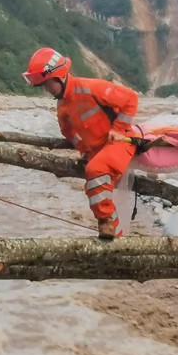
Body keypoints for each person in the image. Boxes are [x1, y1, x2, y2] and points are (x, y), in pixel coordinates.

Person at [23, 47, 139, 239]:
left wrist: (118, 129)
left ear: (59, 77)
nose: (46, 89)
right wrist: (84, 151)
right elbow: (69, 133)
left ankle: (105, 222)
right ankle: (116, 236)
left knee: (96, 170)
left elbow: (131, 99)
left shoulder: (91, 87)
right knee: (94, 173)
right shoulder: (62, 108)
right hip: (97, 150)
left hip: (121, 141)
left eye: (47, 84)